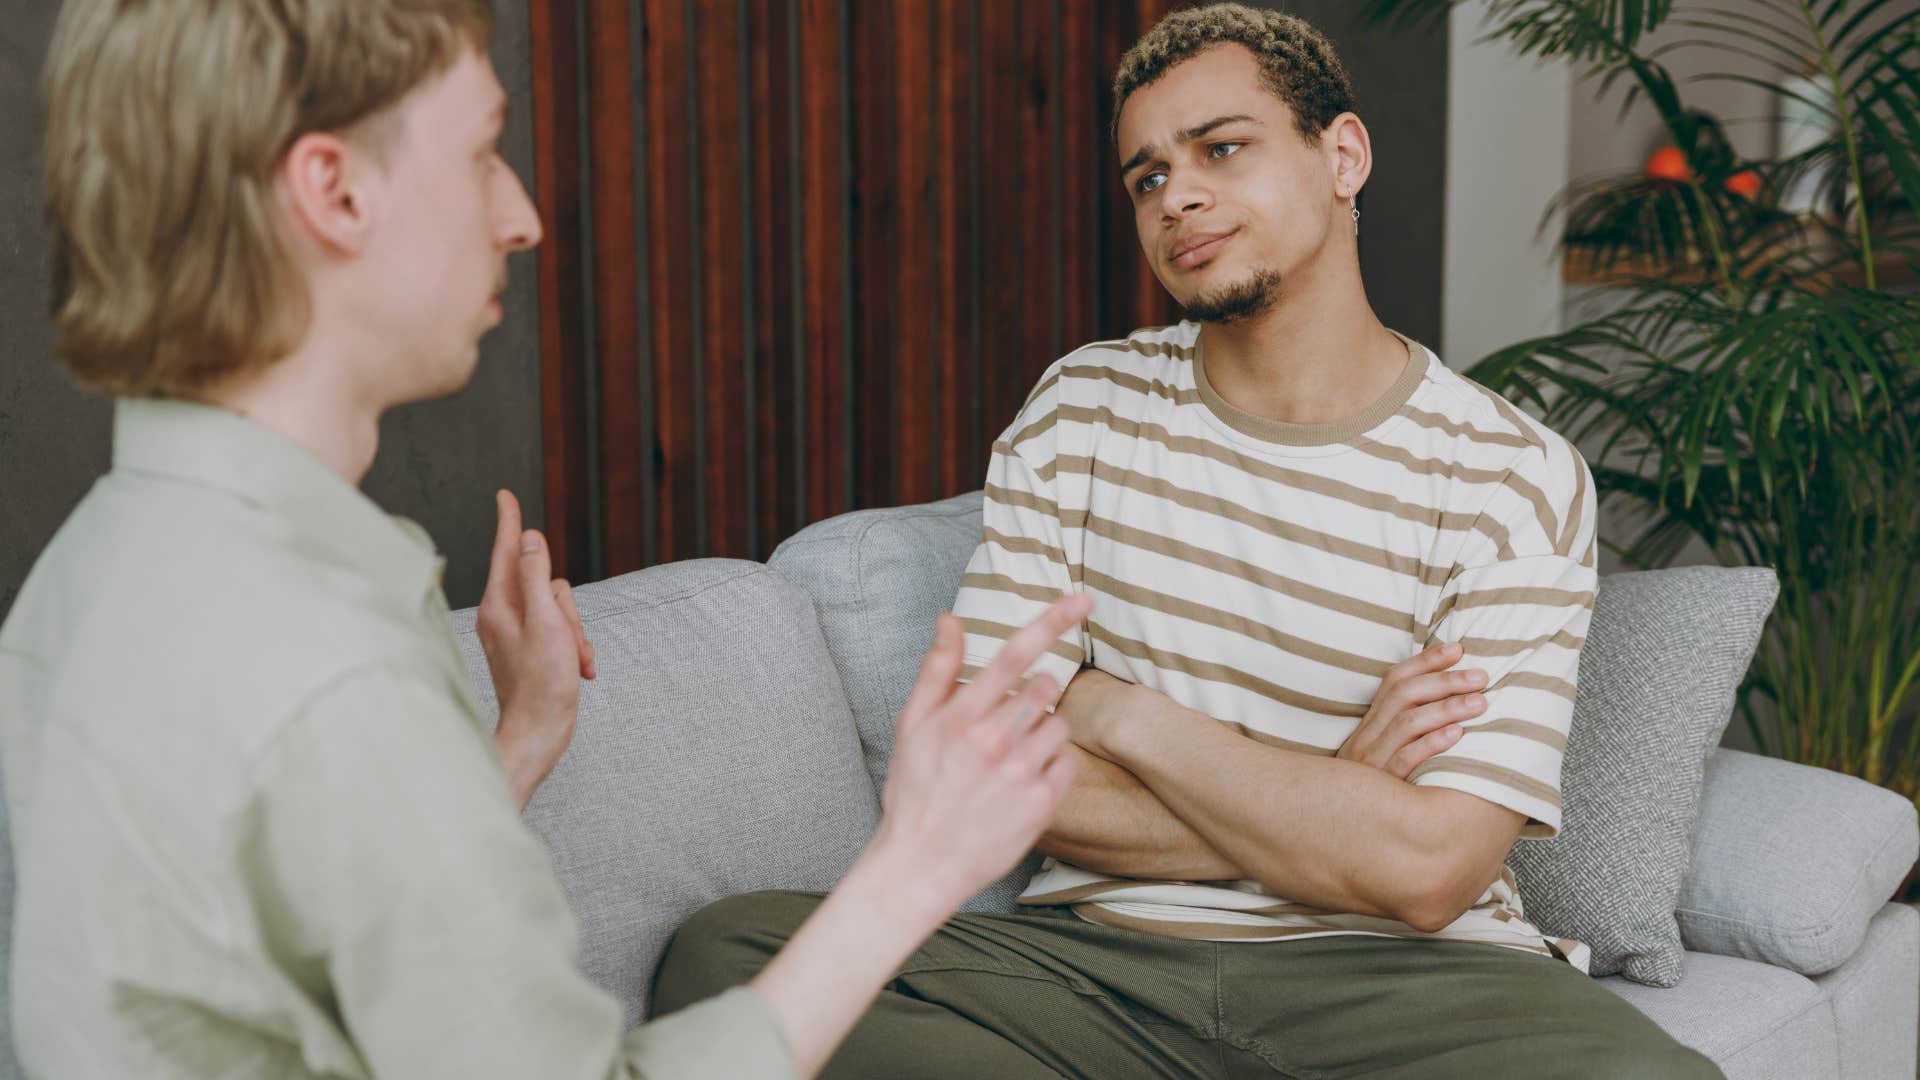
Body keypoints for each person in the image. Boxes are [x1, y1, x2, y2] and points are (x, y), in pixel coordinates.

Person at [0, 2, 1087, 1077]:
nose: (519, 215)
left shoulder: (90, 572)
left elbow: (291, 955)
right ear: (333, 191)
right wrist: (917, 864)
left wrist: (512, 747)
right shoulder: (329, 658)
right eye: (481, 154)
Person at [653, 6, 1722, 1077]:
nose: (1180, 197)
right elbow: (993, 784)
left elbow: (1427, 866)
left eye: (1221, 148)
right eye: (1148, 178)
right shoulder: (1078, 413)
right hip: (1093, 970)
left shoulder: (1511, 474)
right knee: (731, 957)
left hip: (1409, 981)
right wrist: (1335, 784)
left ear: (1341, 155)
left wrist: (1114, 711)